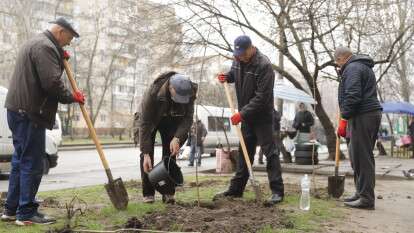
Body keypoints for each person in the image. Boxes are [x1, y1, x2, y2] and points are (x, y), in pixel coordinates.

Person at [1, 17, 85, 225]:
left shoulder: (37, 43)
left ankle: (11, 210)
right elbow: (51, 83)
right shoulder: (46, 47)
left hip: (17, 109)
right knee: (32, 163)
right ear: (59, 31)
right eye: (70, 37)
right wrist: (72, 97)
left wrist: (58, 55)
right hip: (30, 112)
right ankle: (27, 213)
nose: (70, 42)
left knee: (20, 162)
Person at [214, 35, 284, 205]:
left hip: (263, 116)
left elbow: (262, 97)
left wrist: (241, 114)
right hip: (246, 117)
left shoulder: (264, 65)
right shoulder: (238, 60)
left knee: (270, 153)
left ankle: (277, 191)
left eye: (243, 53)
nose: (240, 57)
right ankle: (236, 190)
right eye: (238, 54)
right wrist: (227, 77)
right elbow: (235, 74)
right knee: (245, 152)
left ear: (251, 48)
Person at [136, 72, 197, 204]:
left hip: (172, 119)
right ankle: (148, 193)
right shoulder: (153, 92)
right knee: (147, 155)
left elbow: (188, 118)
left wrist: (177, 138)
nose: (181, 100)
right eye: (178, 97)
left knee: (170, 152)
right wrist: (146, 152)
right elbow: (145, 124)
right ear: (170, 88)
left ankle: (168, 191)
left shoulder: (189, 91)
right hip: (150, 120)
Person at [335, 46, 382, 210]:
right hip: (365, 114)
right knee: (358, 156)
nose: (338, 66)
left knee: (362, 157)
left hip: (363, 115)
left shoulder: (353, 68)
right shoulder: (358, 66)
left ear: (341, 59)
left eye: (338, 63)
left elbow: (353, 95)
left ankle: (366, 199)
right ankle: (361, 192)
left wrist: (344, 118)